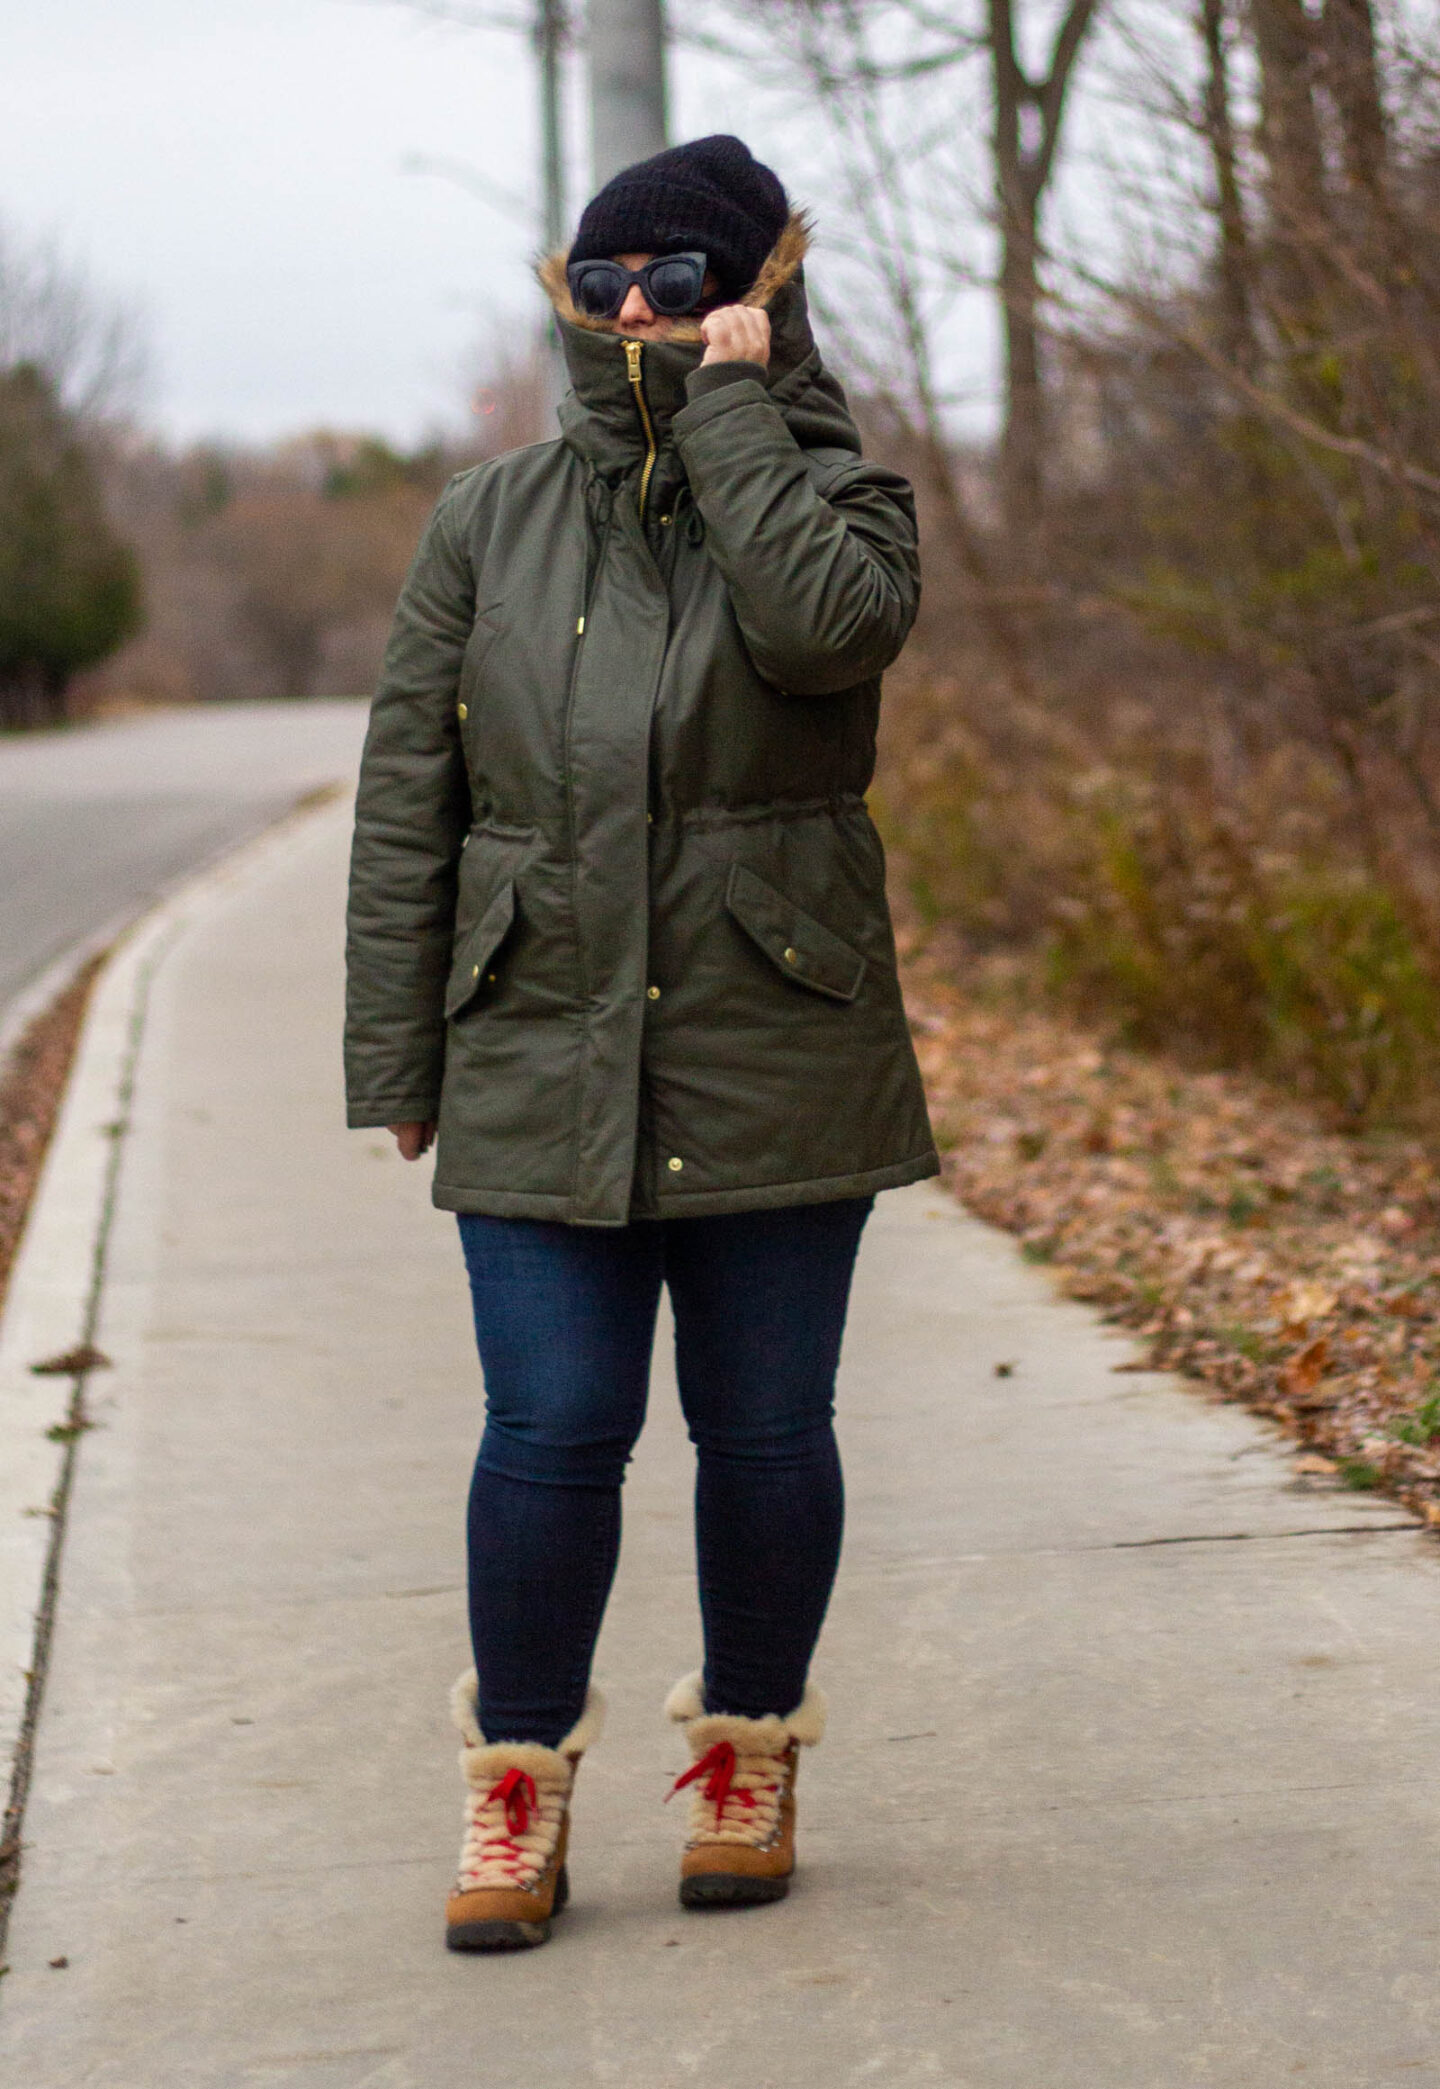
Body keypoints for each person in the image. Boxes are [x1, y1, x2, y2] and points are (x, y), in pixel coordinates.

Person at [345, 133, 938, 1953]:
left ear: (759, 291)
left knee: (763, 1433)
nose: (630, 317)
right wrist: (397, 1056)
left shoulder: (851, 499)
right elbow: (409, 795)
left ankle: (749, 1752)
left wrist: (741, 417)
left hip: (778, 1030)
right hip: (536, 1025)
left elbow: (827, 637)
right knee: (553, 1424)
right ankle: (515, 1783)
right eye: (601, 287)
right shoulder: (488, 517)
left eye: (673, 286)